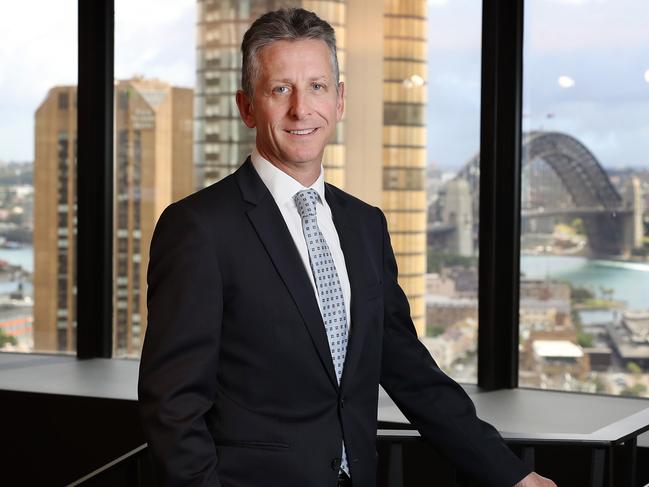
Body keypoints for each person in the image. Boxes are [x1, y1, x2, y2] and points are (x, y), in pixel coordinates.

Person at [138, 8, 556, 487]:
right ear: (246, 106)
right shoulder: (198, 229)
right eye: (280, 89)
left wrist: (513, 476)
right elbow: (172, 407)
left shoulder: (365, 225)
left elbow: (409, 372)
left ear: (339, 101)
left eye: (317, 87)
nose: (301, 109)